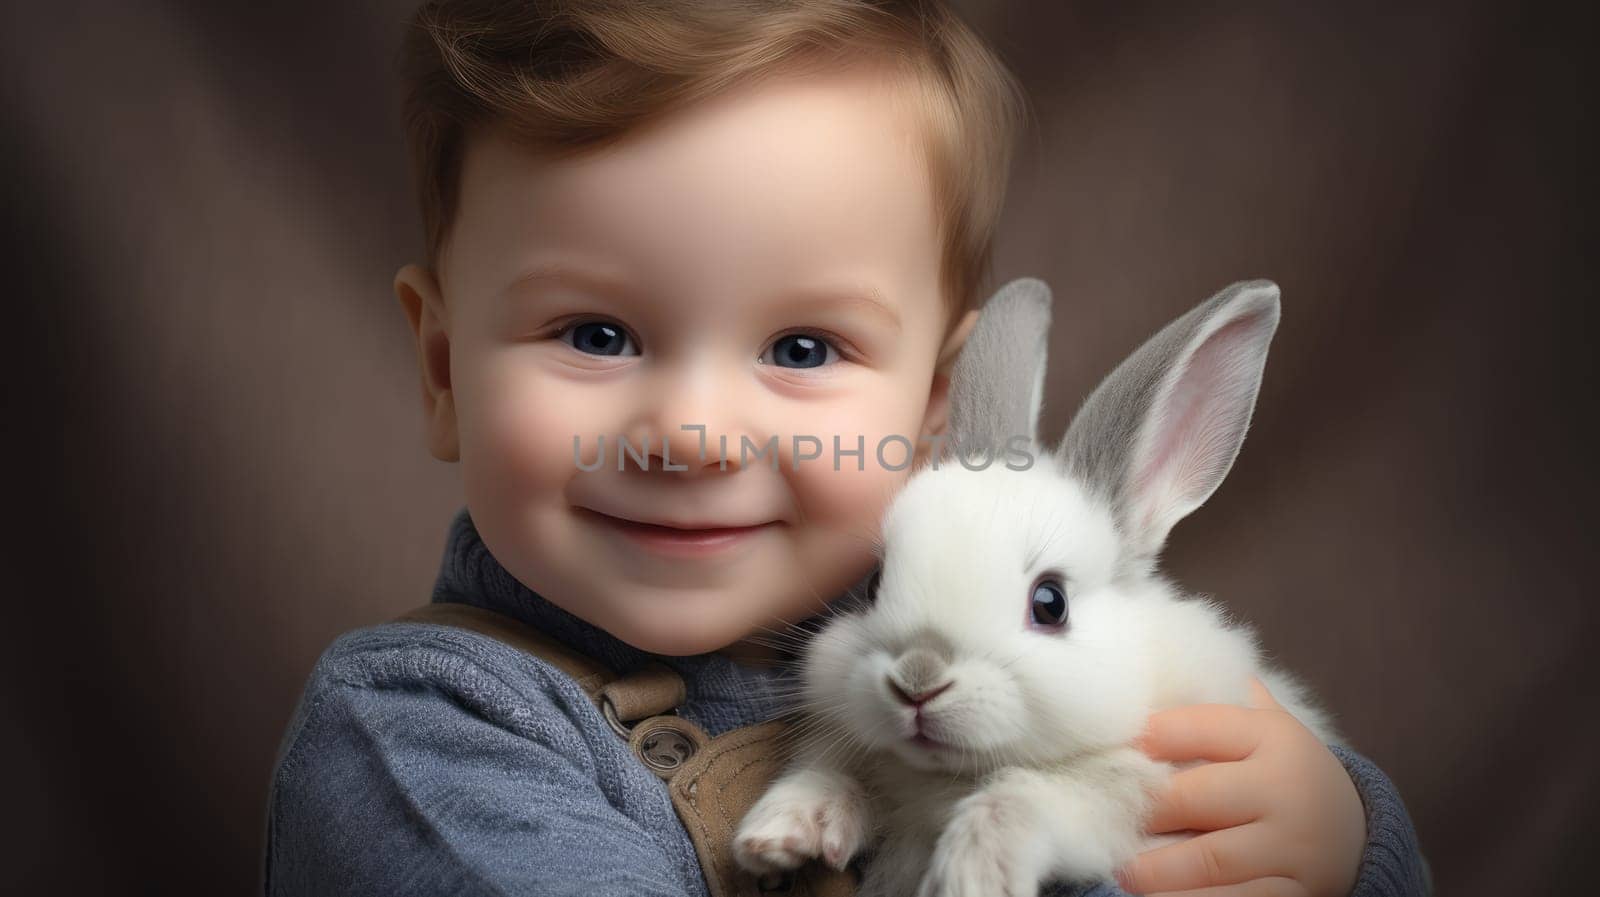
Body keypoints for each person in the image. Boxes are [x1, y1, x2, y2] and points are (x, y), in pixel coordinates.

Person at [262, 2, 1431, 895]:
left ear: (935, 413)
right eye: (597, 334)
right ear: (444, 372)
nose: (688, 434)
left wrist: (1334, 840)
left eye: (805, 347)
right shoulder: (426, 738)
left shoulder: (965, 637)